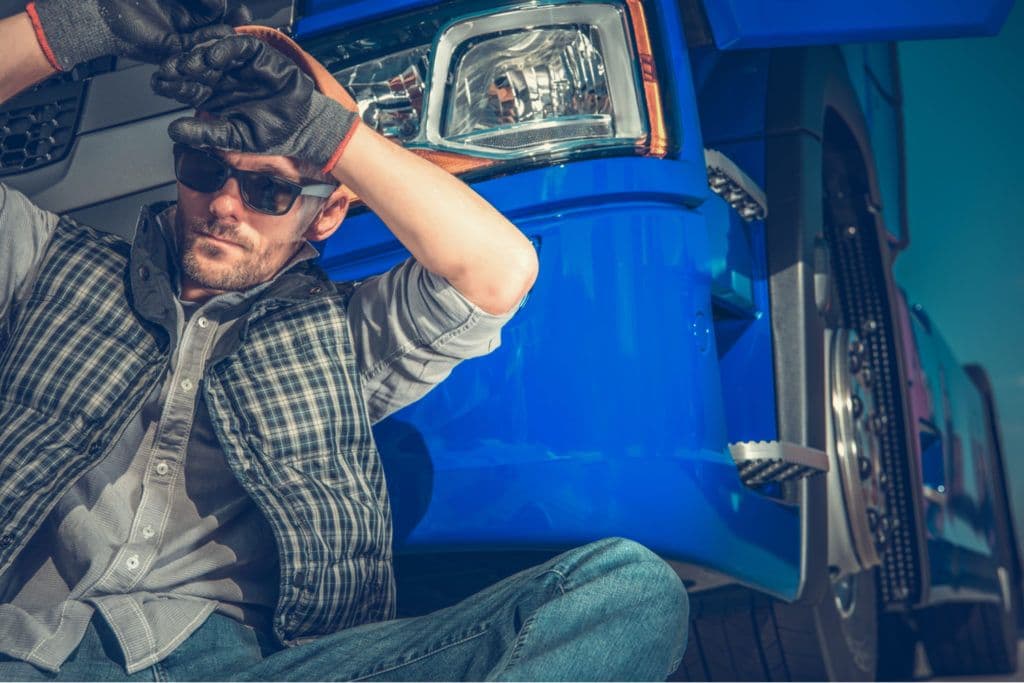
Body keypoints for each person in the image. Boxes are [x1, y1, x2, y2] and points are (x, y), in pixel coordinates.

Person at [0, 0, 689, 679]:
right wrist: (74, 25)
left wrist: (332, 135)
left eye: (269, 190)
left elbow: (499, 270)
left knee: (629, 591)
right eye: (206, 170)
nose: (226, 204)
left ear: (327, 213)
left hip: (263, 670)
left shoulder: (345, 337)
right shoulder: (46, 262)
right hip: (30, 653)